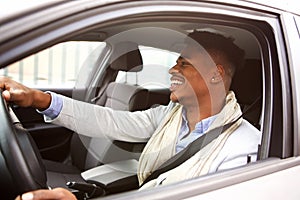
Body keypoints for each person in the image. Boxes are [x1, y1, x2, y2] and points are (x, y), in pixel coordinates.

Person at [0, 31, 261, 200]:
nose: (172, 69)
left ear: (214, 74)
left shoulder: (243, 148)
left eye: (184, 63)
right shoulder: (169, 116)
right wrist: (39, 99)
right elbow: (109, 121)